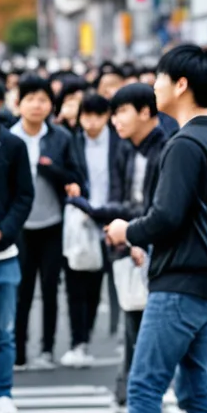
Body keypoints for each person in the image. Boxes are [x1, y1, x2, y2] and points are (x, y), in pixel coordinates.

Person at [76, 45, 207, 413]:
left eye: (161, 78)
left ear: (182, 85)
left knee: (145, 380)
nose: (155, 84)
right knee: (193, 384)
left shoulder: (185, 143)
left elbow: (165, 217)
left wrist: (125, 229)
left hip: (179, 279)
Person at [91, 83, 169, 413]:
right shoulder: (127, 148)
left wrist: (137, 236)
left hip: (152, 248)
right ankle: (129, 390)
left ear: (146, 112)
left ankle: (134, 392)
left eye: (121, 112)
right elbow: (124, 198)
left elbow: (159, 208)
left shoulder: (166, 149)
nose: (115, 121)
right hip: (129, 242)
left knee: (144, 326)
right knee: (132, 319)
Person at [12, 74, 84, 370]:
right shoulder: (8, 137)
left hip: (53, 223)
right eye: (30, 99)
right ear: (18, 104)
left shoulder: (61, 138)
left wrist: (52, 168)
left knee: (51, 289)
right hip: (17, 227)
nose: (36, 105)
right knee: (21, 291)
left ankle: (46, 350)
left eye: (43, 100)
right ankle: (18, 351)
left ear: (51, 106)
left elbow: (76, 176)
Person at [0, 79, 34, 413]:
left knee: (3, 329)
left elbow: (24, 196)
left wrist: (3, 230)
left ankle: (2, 392)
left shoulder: (12, 145)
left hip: (4, 250)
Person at [60, 93, 120, 367]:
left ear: (107, 116)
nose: (92, 122)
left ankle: (89, 337)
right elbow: (66, 172)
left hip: (110, 219)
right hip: (81, 220)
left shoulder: (118, 142)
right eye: (87, 116)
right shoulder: (73, 141)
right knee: (75, 283)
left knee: (97, 284)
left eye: (98, 116)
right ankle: (78, 341)